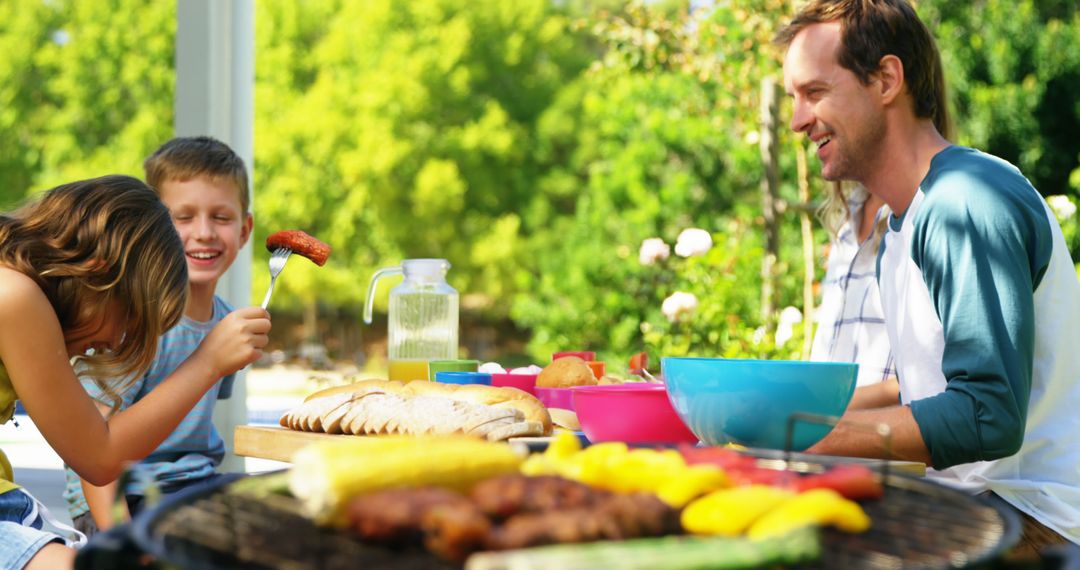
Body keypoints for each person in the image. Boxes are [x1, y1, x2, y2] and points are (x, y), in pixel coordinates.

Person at [777, 0, 1080, 556]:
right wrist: (766, 414)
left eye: (814, 92)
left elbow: (986, 416)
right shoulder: (906, 222)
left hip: (1032, 522)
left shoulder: (963, 202)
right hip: (977, 500)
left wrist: (802, 436)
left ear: (887, 79)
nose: (797, 120)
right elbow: (926, 389)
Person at [0, 175, 270, 569]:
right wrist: (207, 361)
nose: (115, 343)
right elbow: (99, 456)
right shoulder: (15, 296)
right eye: (129, 319)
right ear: (98, 272)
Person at [62, 137, 255, 536]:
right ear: (153, 227)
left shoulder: (229, 323)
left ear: (245, 229)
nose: (203, 232)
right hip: (125, 499)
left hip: (195, 488)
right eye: (182, 217)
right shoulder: (127, 322)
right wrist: (121, 538)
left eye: (221, 217)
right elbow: (90, 447)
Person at [810, 182, 896, 394]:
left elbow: (930, 378)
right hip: (824, 422)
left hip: (883, 425)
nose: (813, 146)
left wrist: (825, 411)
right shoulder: (846, 217)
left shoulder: (921, 215)